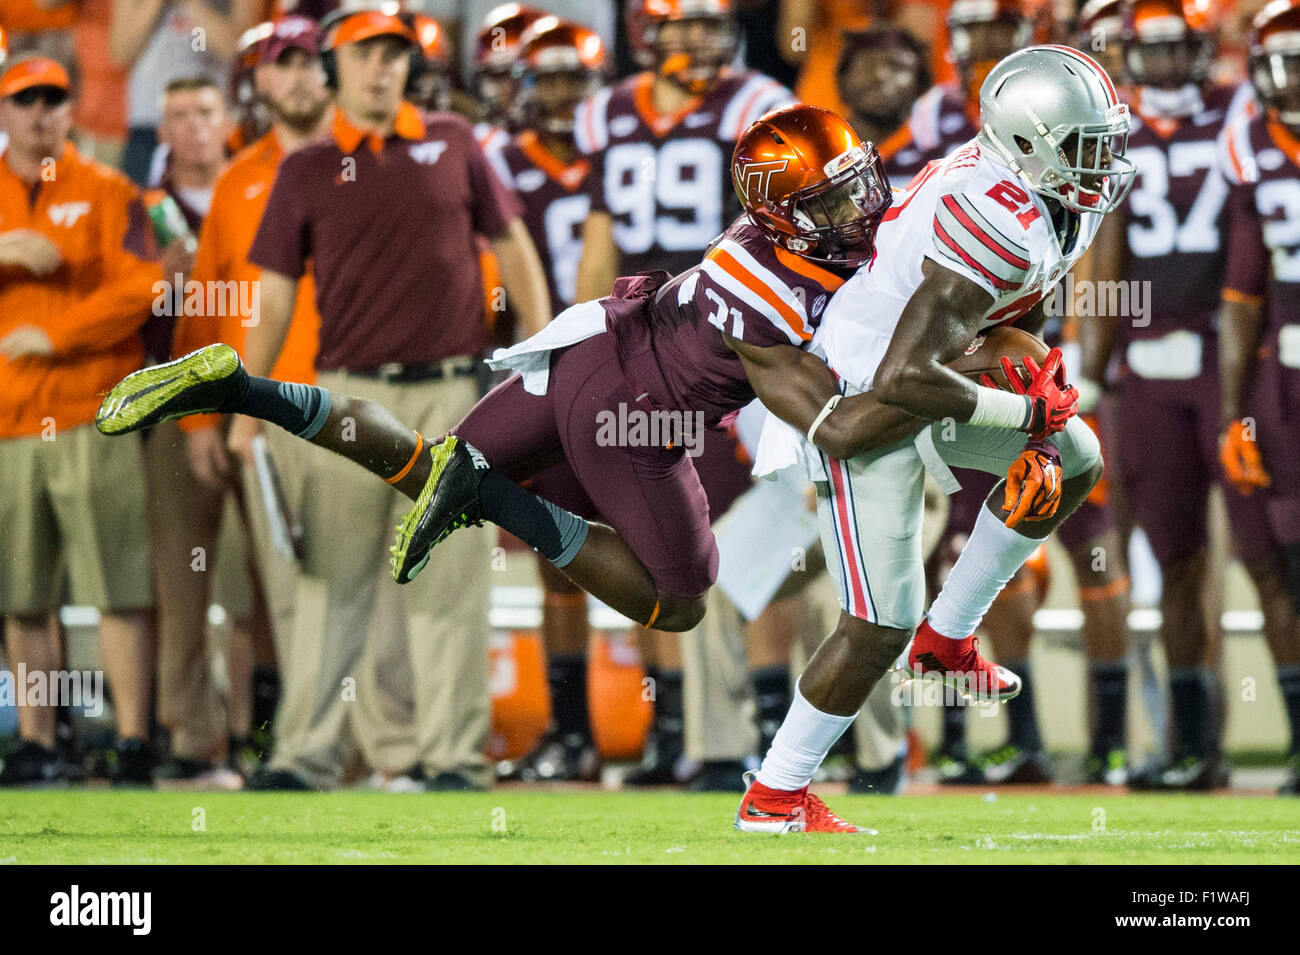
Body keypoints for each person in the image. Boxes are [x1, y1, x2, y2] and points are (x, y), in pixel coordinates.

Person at [740, 44, 1132, 831]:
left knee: (1075, 457)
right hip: (860, 394)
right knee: (877, 619)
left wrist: (1032, 376)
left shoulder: (1054, 197)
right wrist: (1026, 416)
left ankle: (947, 640)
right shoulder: (994, 220)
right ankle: (774, 794)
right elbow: (901, 380)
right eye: (1086, 145)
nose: (1105, 162)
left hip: (925, 378)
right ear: (1029, 144)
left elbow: (1010, 315)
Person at [227, 5, 549, 792]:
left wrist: (540, 370)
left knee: (451, 581)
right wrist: (243, 407)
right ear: (334, 67)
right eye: (366, 55)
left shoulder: (457, 142)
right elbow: (270, 303)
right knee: (329, 583)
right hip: (344, 399)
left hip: (450, 393)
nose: (383, 69)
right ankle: (304, 755)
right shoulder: (303, 170)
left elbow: (517, 254)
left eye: (395, 55)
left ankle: (454, 759)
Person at [0, 57, 164, 785]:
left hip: (91, 412)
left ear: (71, 112)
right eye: (24, 100)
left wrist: (57, 334)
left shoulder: (110, 189)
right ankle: (38, 741)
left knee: (119, 587)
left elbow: (146, 284)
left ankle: (132, 740)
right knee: (22, 594)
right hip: (6, 422)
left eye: (53, 99)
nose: (39, 112)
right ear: (4, 112)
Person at [1217, 0, 1300, 796]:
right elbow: (1241, 297)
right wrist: (1234, 413)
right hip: (1287, 385)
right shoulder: (1254, 149)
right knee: (1280, 564)